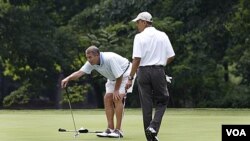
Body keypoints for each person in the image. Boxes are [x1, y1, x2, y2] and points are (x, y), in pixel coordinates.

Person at [61, 45, 131, 138]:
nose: (89, 60)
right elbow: (79, 72)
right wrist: (68, 78)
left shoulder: (109, 59)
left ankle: (118, 131)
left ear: (97, 55)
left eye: (90, 57)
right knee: (107, 98)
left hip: (125, 74)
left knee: (117, 98)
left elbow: (119, 76)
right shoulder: (91, 63)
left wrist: (116, 90)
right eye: (87, 57)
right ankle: (110, 129)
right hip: (113, 78)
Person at [126, 12, 175, 141]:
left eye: (138, 22)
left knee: (146, 105)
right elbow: (171, 56)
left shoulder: (139, 37)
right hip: (158, 71)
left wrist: (130, 78)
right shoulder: (162, 35)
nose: (137, 25)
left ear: (144, 22)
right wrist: (161, 64)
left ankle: (150, 136)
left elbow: (136, 59)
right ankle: (153, 128)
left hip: (142, 72)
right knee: (163, 100)